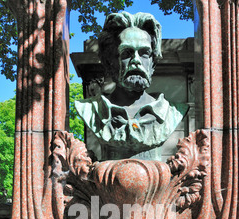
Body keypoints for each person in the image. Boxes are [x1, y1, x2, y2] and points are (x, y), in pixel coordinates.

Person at [75, 12, 188, 161]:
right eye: (127, 53)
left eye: (144, 53)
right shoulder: (90, 109)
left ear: (152, 63)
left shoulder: (172, 112)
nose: (136, 61)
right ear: (110, 62)